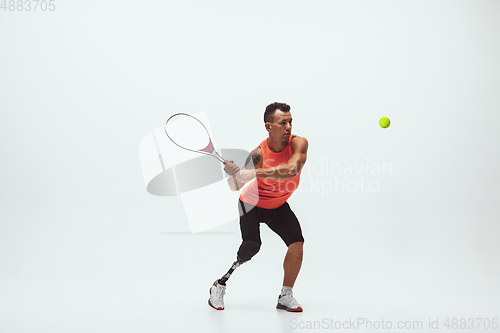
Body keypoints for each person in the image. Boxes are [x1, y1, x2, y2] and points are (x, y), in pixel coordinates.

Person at [208, 102, 308, 312]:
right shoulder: (257, 155)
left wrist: (254, 173)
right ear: (268, 126)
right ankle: (219, 285)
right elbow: (234, 185)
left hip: (278, 205)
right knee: (251, 247)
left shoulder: (299, 143)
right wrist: (234, 174)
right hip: (251, 203)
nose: (289, 126)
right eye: (283, 122)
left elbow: (291, 170)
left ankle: (285, 296)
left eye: (290, 121)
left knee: (297, 245)